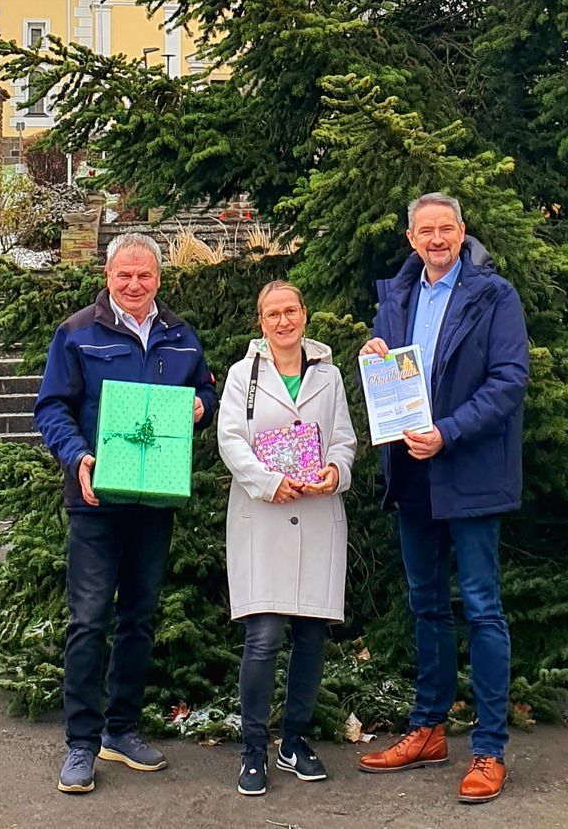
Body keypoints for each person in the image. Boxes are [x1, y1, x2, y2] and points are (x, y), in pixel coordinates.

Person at [357, 193, 529, 804]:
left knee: (481, 607)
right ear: (410, 237)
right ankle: (428, 728)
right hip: (412, 472)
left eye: (445, 229)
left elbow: (509, 380)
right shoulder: (397, 295)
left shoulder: (494, 294)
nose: (435, 239)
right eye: (424, 230)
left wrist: (448, 433)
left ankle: (488, 749)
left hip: (471, 470)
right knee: (425, 604)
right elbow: (388, 366)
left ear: (461, 233)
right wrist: (374, 353)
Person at [34, 232, 217, 796]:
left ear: (159, 278)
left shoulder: (181, 336)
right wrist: (77, 457)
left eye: (145, 276)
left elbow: (205, 390)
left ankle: (122, 729)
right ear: (108, 276)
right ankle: (81, 744)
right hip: (95, 499)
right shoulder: (77, 333)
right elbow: (52, 407)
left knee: (139, 617)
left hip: (155, 500)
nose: (134, 285)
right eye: (124, 276)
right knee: (89, 620)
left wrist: (201, 408)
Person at [216, 280, 358, 797]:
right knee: (263, 638)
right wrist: (269, 483)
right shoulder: (242, 376)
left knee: (312, 637)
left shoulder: (330, 376)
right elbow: (230, 440)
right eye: (272, 313)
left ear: (304, 315)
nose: (283, 321)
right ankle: (253, 747)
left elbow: (344, 440)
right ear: (261, 322)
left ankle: (293, 741)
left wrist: (334, 472)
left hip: (317, 515)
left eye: (290, 311)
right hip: (264, 518)